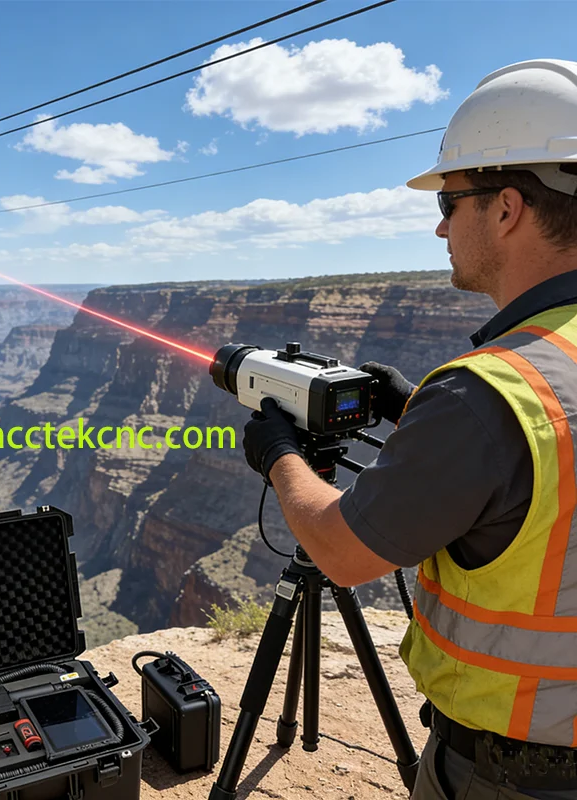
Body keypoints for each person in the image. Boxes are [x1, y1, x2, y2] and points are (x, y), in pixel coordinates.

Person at [242, 59, 577, 799]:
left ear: (508, 208)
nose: (438, 224)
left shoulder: (488, 395)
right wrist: (413, 415)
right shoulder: (529, 378)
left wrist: (278, 457)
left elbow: (341, 553)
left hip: (514, 773)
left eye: (451, 201)